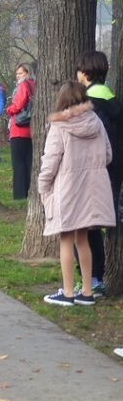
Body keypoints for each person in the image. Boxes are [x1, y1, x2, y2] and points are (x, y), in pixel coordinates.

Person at [38, 81, 115, 306]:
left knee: (65, 239)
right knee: (83, 239)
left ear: (61, 100)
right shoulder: (97, 122)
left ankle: (68, 293)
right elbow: (108, 155)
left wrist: (43, 187)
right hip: (91, 190)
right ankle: (88, 292)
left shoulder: (60, 126)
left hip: (68, 189)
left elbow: (50, 162)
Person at [75, 50, 122, 297]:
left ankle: (92, 279)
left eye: (79, 70)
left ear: (85, 73)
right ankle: (96, 277)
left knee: (82, 227)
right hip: (113, 171)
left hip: (93, 172)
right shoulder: (113, 99)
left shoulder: (90, 102)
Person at [6, 63, 35, 199]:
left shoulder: (24, 85)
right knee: (28, 161)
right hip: (31, 128)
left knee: (18, 162)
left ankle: (19, 194)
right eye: (17, 74)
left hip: (19, 128)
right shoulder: (35, 85)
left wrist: (10, 109)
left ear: (27, 73)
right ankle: (29, 191)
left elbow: (19, 104)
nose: (18, 76)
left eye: (20, 73)